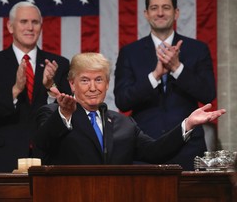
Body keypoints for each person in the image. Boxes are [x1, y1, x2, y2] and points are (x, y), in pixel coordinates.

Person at [34, 52, 224, 165]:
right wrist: (63, 115)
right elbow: (42, 145)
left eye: (99, 80)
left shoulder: (123, 123)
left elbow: (155, 152)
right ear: (72, 84)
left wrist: (188, 124)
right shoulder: (53, 114)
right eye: (85, 80)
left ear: (107, 84)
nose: (93, 87)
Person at [114, 0, 216, 170]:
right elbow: (122, 101)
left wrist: (177, 68)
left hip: (188, 148)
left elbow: (208, 94)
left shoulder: (197, 49)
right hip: (144, 148)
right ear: (146, 13)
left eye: (166, 7)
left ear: (176, 13)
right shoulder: (130, 52)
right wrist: (155, 76)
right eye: (154, 8)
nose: (160, 13)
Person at [0, 1, 71, 172]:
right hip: (2, 158)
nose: (30, 27)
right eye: (23, 22)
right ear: (10, 27)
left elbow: (69, 112)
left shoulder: (59, 64)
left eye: (35, 22)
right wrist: (15, 90)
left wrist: (51, 87)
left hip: (47, 155)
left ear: (41, 27)